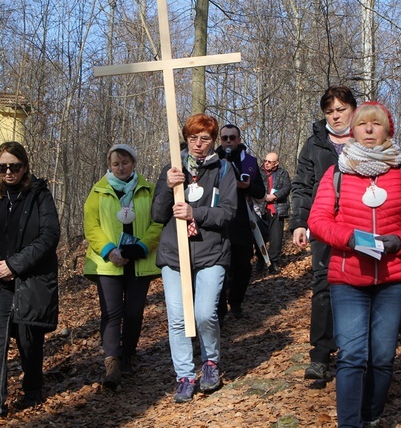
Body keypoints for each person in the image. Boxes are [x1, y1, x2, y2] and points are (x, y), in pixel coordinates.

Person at [308, 101, 401, 427]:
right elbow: (318, 221)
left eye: (375, 124)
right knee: (352, 355)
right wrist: (349, 238)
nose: (368, 130)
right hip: (348, 276)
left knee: (381, 356)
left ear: (386, 130)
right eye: (362, 124)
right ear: (353, 129)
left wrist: (400, 241)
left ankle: (372, 415)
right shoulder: (337, 172)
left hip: (394, 277)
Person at [0, 142, 60, 427]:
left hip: (30, 278)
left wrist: (15, 265)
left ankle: (32, 390)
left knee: (29, 339)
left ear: (25, 166)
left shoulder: (39, 194)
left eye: (14, 166)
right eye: (2, 167)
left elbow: (49, 235)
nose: (8, 172)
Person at [151, 114, 237, 403]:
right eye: (193, 138)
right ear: (185, 139)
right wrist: (166, 185)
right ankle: (185, 376)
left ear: (213, 141)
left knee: (204, 313)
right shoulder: (173, 169)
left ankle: (210, 362)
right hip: (175, 255)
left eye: (205, 139)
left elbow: (228, 212)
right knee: (177, 319)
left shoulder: (224, 170)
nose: (198, 144)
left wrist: (195, 213)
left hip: (211, 252)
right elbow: (157, 215)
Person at [289, 85, 357, 380]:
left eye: (341, 109)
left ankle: (354, 349)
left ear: (353, 109)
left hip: (361, 224)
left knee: (358, 283)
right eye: (330, 111)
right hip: (323, 223)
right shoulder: (314, 144)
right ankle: (320, 354)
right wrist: (299, 223)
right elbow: (303, 185)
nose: (336, 116)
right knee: (323, 284)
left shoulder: (368, 138)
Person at [83, 144, 163, 390]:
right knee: (111, 312)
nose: (120, 168)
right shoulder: (98, 191)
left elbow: (158, 222)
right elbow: (91, 226)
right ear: (109, 165)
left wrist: (142, 247)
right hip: (107, 262)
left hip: (139, 260)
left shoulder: (148, 190)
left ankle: (128, 354)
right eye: (116, 163)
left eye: (125, 163)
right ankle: (112, 361)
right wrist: (110, 251)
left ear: (134, 164)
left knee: (133, 312)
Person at [216, 124, 265, 319]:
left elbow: (261, 192)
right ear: (220, 140)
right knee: (218, 266)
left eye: (232, 138)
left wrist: (247, 186)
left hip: (242, 221)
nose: (228, 141)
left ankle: (235, 302)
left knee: (243, 266)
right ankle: (218, 308)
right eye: (225, 138)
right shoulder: (213, 160)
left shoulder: (250, 162)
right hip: (218, 221)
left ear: (239, 139)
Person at [258, 152, 291, 274]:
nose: (266, 163)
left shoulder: (283, 173)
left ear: (276, 163)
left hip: (277, 209)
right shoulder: (258, 173)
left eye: (269, 161)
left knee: (276, 238)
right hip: (260, 209)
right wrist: (263, 196)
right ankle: (260, 260)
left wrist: (275, 196)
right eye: (265, 160)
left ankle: (274, 262)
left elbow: (287, 187)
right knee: (260, 237)